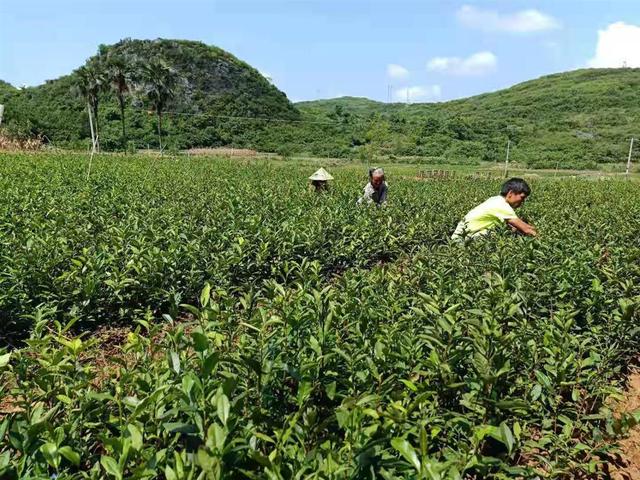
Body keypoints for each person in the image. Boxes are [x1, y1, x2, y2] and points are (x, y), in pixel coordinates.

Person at [451, 177, 537, 241]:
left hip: (465, 236)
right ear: (511, 193)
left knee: (507, 231)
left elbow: (514, 226)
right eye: (522, 197)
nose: (523, 201)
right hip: (462, 240)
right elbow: (526, 229)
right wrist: (542, 239)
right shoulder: (501, 205)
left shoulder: (496, 200)